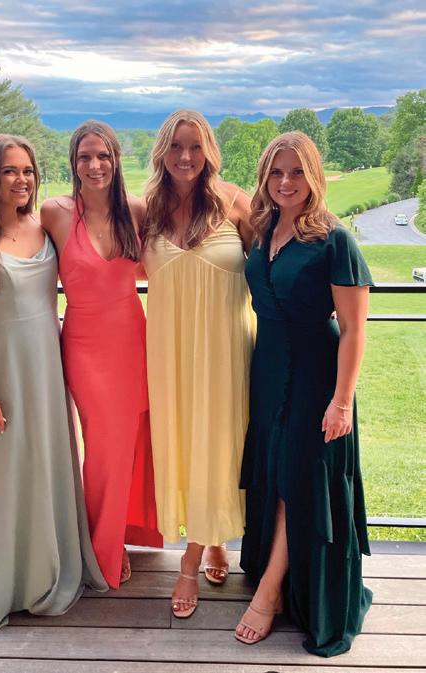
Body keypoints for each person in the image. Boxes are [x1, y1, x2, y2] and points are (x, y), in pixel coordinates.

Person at [0, 134, 107, 630]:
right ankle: (4, 582)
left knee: (46, 466)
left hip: (47, 367)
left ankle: (48, 570)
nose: (22, 179)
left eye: (28, 170)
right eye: (9, 170)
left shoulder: (44, 226)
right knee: (4, 474)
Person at [236, 131, 373, 656]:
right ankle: (279, 576)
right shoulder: (261, 227)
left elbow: (354, 330)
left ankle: (270, 592)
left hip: (317, 374)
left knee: (300, 479)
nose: (286, 181)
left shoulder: (335, 240)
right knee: (274, 472)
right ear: (265, 178)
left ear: (313, 175)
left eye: (296, 172)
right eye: (276, 172)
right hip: (268, 370)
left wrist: (342, 401)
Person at [141, 109, 255, 618]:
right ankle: (214, 540)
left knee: (220, 444)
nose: (185, 157)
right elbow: (97, 254)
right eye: (175, 146)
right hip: (169, 352)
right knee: (185, 446)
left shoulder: (235, 202)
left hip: (226, 349)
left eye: (194, 146)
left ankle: (191, 561)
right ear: (162, 151)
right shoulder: (146, 209)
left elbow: (283, 249)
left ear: (209, 151)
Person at [41, 120, 162, 589]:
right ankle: (100, 548)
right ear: (73, 163)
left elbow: (168, 260)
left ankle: (121, 534)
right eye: (85, 157)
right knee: (104, 449)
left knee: (131, 442)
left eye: (103, 155)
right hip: (85, 345)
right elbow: (10, 244)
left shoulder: (138, 210)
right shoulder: (55, 213)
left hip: (134, 340)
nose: (95, 165)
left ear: (116, 160)